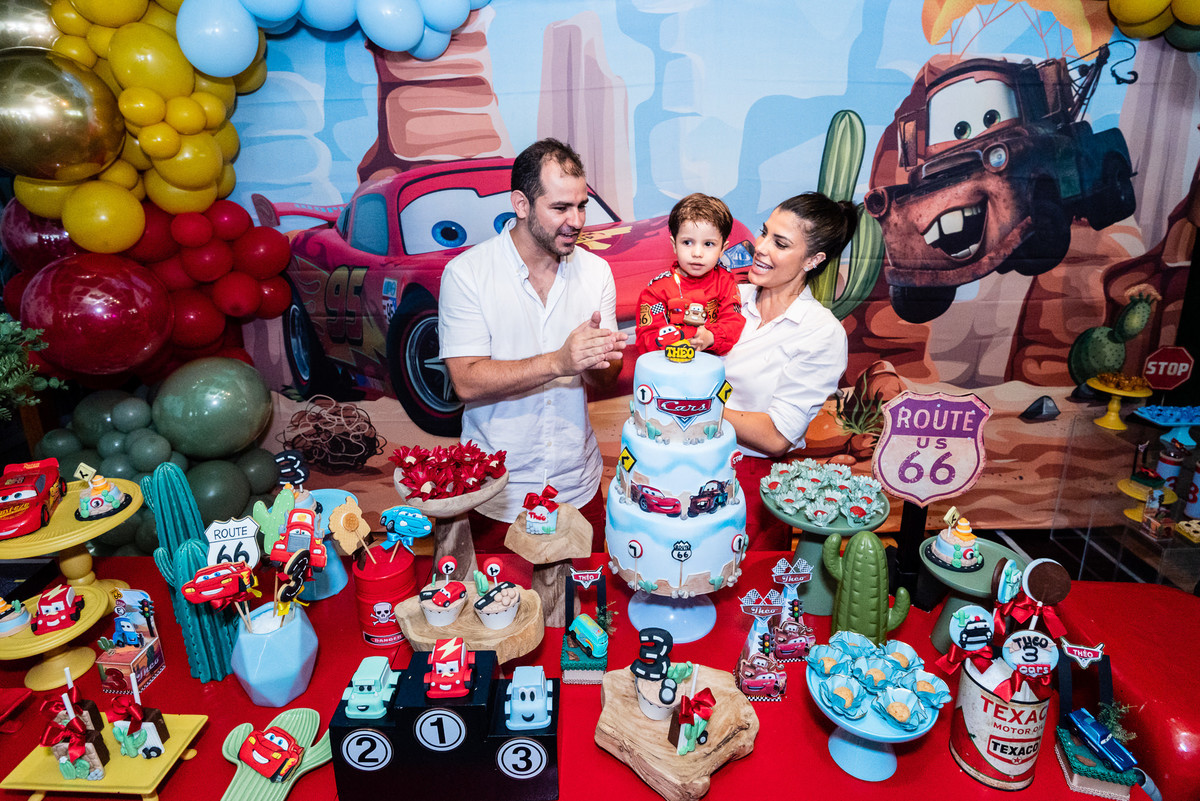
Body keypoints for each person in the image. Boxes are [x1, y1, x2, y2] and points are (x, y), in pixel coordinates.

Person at [438, 139, 626, 551]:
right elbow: (466, 381)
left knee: (585, 611)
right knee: (500, 610)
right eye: (560, 208)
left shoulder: (596, 272)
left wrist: (600, 357)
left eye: (581, 206)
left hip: (578, 485)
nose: (575, 221)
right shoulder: (467, 273)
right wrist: (560, 361)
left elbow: (605, 381)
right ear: (521, 204)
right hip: (497, 492)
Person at [722, 192, 857, 549]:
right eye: (764, 233)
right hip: (684, 465)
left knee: (743, 594)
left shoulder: (821, 332)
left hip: (750, 485)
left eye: (779, 243)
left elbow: (776, 437)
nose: (761, 247)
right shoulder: (729, 298)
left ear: (813, 259)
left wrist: (693, 406)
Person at [634, 193, 745, 355]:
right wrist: (676, 341)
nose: (697, 253)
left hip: (712, 366)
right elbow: (646, 339)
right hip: (669, 369)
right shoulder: (656, 291)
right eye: (687, 242)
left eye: (708, 244)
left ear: (723, 249)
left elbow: (733, 322)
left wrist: (711, 336)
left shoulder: (725, 281)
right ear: (674, 244)